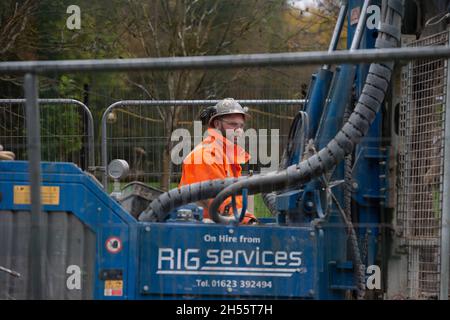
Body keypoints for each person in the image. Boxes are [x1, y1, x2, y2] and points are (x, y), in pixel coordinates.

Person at [179, 98, 257, 224]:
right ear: (217, 124)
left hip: (217, 226)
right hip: (202, 230)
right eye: (233, 124)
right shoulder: (206, 156)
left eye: (241, 126)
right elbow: (221, 204)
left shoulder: (226, 156)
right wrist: (249, 222)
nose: (239, 131)